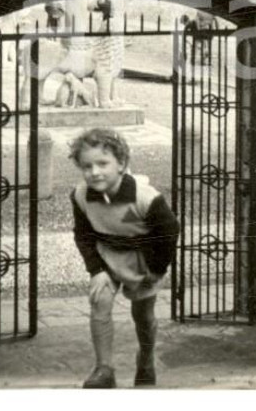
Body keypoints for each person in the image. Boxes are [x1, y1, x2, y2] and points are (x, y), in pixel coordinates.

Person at [70, 128, 180, 389]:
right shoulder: (81, 196)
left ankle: (146, 358)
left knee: (143, 315)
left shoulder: (146, 198)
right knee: (100, 300)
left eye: (102, 163)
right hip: (107, 259)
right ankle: (104, 369)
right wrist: (96, 270)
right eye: (87, 166)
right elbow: (83, 235)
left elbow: (168, 234)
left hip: (143, 261)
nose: (94, 172)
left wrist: (155, 270)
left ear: (121, 163)